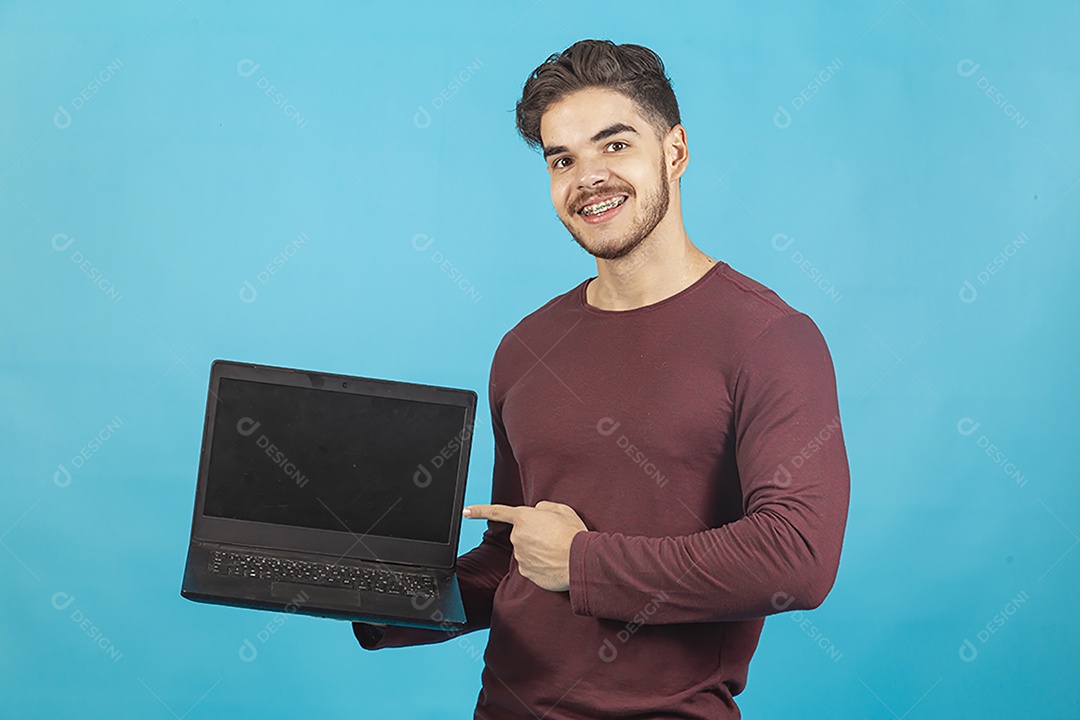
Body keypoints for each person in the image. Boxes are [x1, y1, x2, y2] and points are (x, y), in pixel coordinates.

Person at [353, 38, 850, 719]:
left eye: (614, 145)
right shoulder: (526, 347)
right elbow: (514, 559)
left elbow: (798, 556)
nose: (587, 177)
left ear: (675, 151)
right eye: (563, 159)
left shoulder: (769, 338)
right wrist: (373, 598)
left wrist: (584, 563)